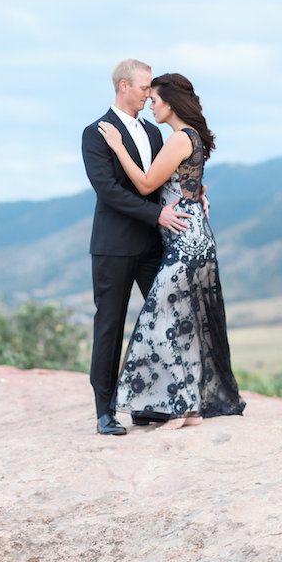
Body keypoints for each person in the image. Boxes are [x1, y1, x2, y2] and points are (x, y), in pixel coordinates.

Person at [97, 72, 246, 429]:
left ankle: (180, 406)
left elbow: (148, 182)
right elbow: (186, 183)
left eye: (156, 99)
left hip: (185, 241)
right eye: (147, 95)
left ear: (171, 103)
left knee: (161, 320)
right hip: (189, 236)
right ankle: (188, 406)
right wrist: (199, 196)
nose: (151, 103)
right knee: (181, 321)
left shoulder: (179, 138)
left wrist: (118, 147)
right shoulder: (186, 138)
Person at [82, 59, 193, 436]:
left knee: (159, 323)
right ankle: (104, 411)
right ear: (124, 86)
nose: (150, 95)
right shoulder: (95, 133)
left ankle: (150, 405)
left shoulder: (153, 131)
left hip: (151, 245)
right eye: (146, 87)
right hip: (113, 246)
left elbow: (162, 181)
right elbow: (109, 192)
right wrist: (156, 215)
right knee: (109, 327)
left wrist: (195, 194)